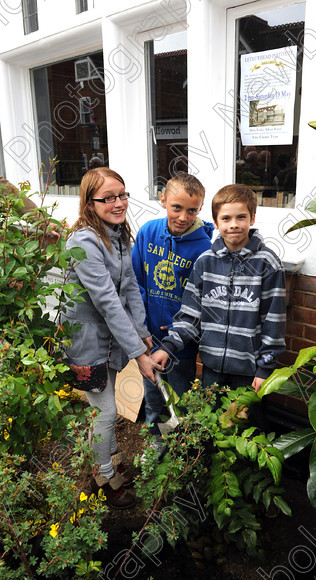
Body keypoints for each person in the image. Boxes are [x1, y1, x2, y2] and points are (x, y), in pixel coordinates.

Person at [60, 167, 157, 509]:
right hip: (86, 343)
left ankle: (110, 457)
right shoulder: (84, 241)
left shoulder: (117, 233)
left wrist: (143, 333)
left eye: (122, 195)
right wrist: (140, 354)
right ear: (89, 202)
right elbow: (107, 301)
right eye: (108, 198)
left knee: (106, 404)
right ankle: (103, 477)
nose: (118, 203)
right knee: (105, 411)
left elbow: (130, 287)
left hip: (108, 339)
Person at [152, 184, 286, 405]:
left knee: (247, 429)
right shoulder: (205, 262)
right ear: (215, 222)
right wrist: (168, 346)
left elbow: (274, 321)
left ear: (252, 218)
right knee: (212, 429)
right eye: (226, 218)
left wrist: (265, 368)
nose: (233, 225)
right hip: (211, 369)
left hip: (249, 371)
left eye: (241, 217)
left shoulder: (267, 263)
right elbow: (190, 315)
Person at [132, 172, 214, 455]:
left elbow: (201, 299)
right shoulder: (148, 232)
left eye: (191, 210)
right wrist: (140, 326)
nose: (183, 216)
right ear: (163, 200)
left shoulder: (204, 248)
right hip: (148, 335)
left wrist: (179, 332)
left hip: (182, 341)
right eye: (176, 207)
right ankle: (156, 441)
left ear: (200, 208)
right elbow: (136, 282)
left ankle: (179, 447)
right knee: (153, 392)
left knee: (179, 394)